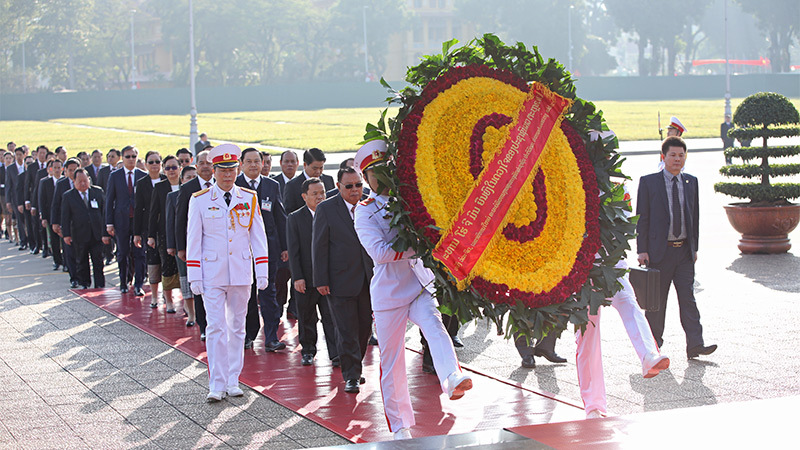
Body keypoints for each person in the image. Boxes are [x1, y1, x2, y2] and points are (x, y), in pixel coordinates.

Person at [353, 140, 472, 439]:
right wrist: (416, 247)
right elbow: (379, 253)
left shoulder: (408, 200)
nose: (381, 176)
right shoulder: (364, 211)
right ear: (366, 178)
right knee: (392, 362)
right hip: (389, 293)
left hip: (418, 284)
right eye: (374, 172)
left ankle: (451, 377)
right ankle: (399, 425)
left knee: (436, 327)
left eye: (385, 169)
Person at [576, 181, 670, 419]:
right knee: (587, 335)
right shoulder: (571, 174)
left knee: (629, 303)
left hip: (612, 264)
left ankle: (649, 355)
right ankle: (593, 405)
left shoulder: (617, 185)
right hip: (581, 269)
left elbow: (627, 223)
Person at [186, 143, 269, 402]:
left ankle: (233, 379)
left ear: (237, 169)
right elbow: (193, 239)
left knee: (237, 327)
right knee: (215, 327)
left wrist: (262, 269)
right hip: (212, 271)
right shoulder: (199, 200)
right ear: (214, 170)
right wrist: (194, 275)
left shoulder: (248, 197)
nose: (228, 175)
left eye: (232, 169)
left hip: (241, 272)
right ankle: (216, 383)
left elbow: (258, 236)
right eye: (222, 170)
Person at [637, 136, 716, 359]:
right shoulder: (649, 182)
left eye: (681, 155)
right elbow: (641, 219)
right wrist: (642, 250)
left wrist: (694, 249)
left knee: (688, 298)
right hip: (659, 253)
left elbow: (695, 217)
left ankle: (695, 344)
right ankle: (653, 346)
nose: (677, 159)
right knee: (657, 303)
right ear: (663, 157)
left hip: (684, 253)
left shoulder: (691, 182)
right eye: (672, 155)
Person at [312, 166, 374, 394]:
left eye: (359, 185)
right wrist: (320, 279)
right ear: (338, 187)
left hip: (369, 280)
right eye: (349, 186)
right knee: (346, 329)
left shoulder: (370, 204)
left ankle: (355, 365)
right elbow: (318, 246)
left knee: (364, 328)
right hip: (339, 281)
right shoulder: (327, 209)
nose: (355, 190)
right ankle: (351, 375)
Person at [235, 148, 288, 351]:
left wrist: (284, 247)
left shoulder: (272, 186)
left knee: (268, 293)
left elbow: (280, 217)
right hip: (242, 252)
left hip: (268, 250)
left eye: (258, 161)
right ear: (241, 164)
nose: (254, 165)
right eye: (249, 161)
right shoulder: (235, 186)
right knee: (247, 295)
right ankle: (248, 335)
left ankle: (271, 337)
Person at [286, 177, 339, 366]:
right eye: (314, 194)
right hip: (306, 278)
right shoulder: (295, 218)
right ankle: (308, 350)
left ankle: (336, 354)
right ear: (304, 196)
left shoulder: (333, 214)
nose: (320, 197)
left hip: (329, 278)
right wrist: (297, 277)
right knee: (307, 316)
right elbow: (294, 251)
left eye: (322, 192)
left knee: (331, 318)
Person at [176, 150, 214, 340]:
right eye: (202, 163)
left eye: (209, 163)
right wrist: (181, 248)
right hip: (197, 247)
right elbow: (180, 220)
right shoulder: (187, 188)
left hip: (217, 247)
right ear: (196, 166)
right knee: (199, 287)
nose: (206, 166)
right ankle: (204, 326)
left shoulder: (224, 185)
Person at [105, 145, 147, 295]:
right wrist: (109, 223)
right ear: (122, 158)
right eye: (128, 156)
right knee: (122, 253)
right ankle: (123, 282)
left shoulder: (143, 175)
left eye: (133, 157)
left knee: (140, 253)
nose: (131, 160)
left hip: (138, 221)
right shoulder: (115, 176)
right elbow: (109, 200)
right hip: (121, 220)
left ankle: (138, 284)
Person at [61, 169, 106, 289]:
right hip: (79, 234)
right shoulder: (69, 196)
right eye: (79, 181)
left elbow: (104, 212)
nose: (83, 183)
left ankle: (100, 285)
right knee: (81, 260)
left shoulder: (97, 192)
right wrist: (66, 234)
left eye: (85, 181)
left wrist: (106, 231)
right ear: (74, 181)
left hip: (96, 233)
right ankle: (84, 283)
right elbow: (65, 217)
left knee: (98, 260)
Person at [148, 155, 182, 314]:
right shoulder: (160, 188)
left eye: (174, 167)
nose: (171, 171)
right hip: (165, 234)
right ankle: (168, 301)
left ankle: (186, 301)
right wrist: (151, 235)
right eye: (167, 168)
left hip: (184, 233)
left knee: (184, 270)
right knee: (167, 268)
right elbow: (153, 213)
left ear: (180, 168)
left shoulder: (187, 186)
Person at [134, 151, 167, 307]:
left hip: (167, 229)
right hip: (150, 229)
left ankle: (168, 296)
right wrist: (137, 233)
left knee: (168, 264)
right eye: (151, 162)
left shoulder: (167, 180)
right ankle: (154, 297)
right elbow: (138, 208)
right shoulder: (142, 183)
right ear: (146, 164)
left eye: (157, 162)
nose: (154, 165)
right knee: (153, 263)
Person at [167, 165, 198, 326]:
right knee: (186, 278)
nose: (192, 180)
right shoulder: (174, 196)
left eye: (195, 177)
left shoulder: (206, 195)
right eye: (188, 177)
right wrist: (174, 246)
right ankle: (191, 314)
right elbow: (173, 223)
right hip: (184, 245)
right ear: (182, 180)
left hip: (201, 245)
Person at [272, 150, 300, 320]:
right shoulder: (274, 184)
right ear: (281, 163)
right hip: (281, 238)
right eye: (286, 161)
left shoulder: (302, 183)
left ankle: (294, 307)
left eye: (293, 161)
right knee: (281, 276)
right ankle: (278, 306)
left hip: (299, 238)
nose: (289, 165)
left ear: (298, 164)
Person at [51, 158, 81, 284]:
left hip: (82, 223)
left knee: (82, 251)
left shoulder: (86, 181)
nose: (73, 172)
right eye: (70, 170)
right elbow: (55, 204)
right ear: (66, 171)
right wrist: (55, 223)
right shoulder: (61, 184)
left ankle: (82, 276)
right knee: (69, 251)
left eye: (75, 170)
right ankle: (74, 278)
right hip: (67, 223)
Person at [284, 148, 335, 214]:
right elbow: (289, 213)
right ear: (305, 165)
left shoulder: (328, 180)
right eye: (315, 168)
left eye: (321, 168)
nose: (318, 171)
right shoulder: (292, 186)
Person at [38, 159, 64, 271]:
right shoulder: (45, 183)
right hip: (50, 215)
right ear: (51, 169)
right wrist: (43, 217)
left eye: (59, 168)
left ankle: (66, 261)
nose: (57, 170)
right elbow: (42, 200)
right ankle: (57, 261)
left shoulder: (65, 182)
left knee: (64, 238)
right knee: (54, 240)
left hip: (63, 215)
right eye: (55, 168)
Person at [24, 145, 48, 255]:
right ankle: (38, 246)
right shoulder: (32, 167)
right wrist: (28, 201)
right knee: (37, 225)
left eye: (44, 153)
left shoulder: (50, 167)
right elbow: (28, 185)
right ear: (37, 154)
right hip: (36, 198)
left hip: (46, 199)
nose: (42, 155)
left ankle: (47, 247)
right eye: (40, 153)